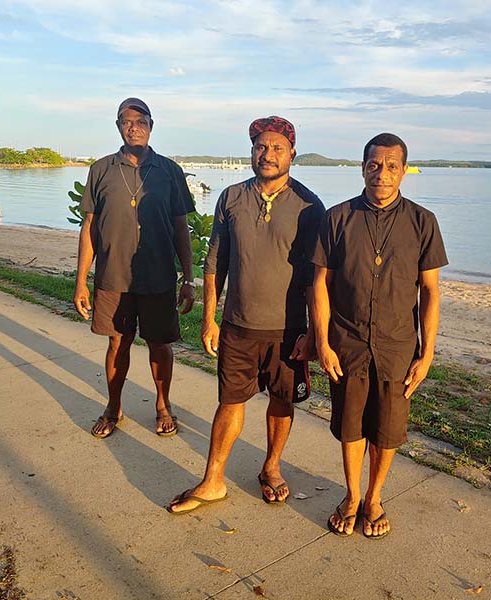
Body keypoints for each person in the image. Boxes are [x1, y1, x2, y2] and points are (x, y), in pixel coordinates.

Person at [168, 116, 325, 514]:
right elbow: (215, 262)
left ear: (292, 153)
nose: (267, 154)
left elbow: (315, 277)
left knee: (281, 401)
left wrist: (313, 332)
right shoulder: (232, 197)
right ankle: (213, 480)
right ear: (251, 151)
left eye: (276, 148)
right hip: (238, 325)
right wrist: (209, 318)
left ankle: (271, 467)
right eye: (260, 146)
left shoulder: (309, 206)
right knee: (230, 402)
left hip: (288, 329)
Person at [311, 133, 448, 538]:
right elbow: (319, 283)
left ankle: (374, 497)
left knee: (387, 429)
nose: (381, 175)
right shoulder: (338, 218)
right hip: (348, 342)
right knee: (351, 425)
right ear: (363, 167)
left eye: (391, 167)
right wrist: (321, 341)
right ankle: (352, 495)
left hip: (398, 346)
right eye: (374, 165)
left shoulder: (422, 222)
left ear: (404, 171)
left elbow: (431, 291)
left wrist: (427, 356)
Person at [74, 97, 196, 439]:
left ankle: (163, 405)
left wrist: (188, 279)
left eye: (141, 121)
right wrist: (81, 281)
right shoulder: (101, 169)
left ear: (151, 126)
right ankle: (113, 407)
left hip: (158, 277)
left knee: (160, 345)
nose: (134, 127)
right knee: (117, 343)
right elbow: (89, 229)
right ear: (118, 127)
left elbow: (180, 229)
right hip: (113, 277)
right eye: (126, 121)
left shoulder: (169, 171)